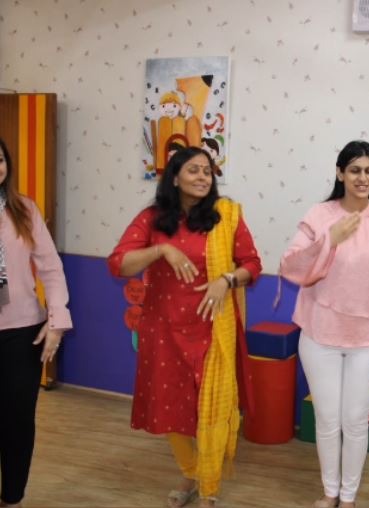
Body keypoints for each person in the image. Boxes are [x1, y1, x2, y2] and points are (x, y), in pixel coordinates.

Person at [108, 147, 261, 508]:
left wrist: (226, 279)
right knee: (171, 406)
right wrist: (160, 251)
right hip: (164, 330)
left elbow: (252, 265)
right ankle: (191, 472)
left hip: (213, 329)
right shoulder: (152, 218)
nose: (203, 177)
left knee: (212, 409)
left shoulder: (225, 217)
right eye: (194, 170)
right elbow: (119, 263)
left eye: (207, 171)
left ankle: (208, 487)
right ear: (174, 178)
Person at [279, 140, 369, 508]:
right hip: (319, 336)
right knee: (326, 419)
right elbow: (290, 266)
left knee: (354, 420)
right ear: (340, 173)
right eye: (354, 170)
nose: (362, 178)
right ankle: (330, 492)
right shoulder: (319, 215)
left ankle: (348, 497)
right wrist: (329, 239)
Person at [0, 138, 72, 507]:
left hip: (21, 331)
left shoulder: (25, 209)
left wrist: (57, 319)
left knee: (16, 422)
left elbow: (51, 269)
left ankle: (12, 498)